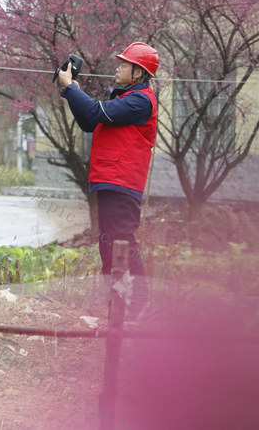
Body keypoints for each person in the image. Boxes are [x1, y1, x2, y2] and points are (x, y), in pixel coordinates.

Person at [57, 42, 158, 317]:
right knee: (110, 245)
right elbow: (90, 122)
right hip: (111, 181)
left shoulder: (140, 101)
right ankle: (119, 309)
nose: (118, 67)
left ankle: (135, 307)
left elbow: (92, 112)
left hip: (122, 183)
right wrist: (70, 91)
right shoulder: (124, 100)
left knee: (121, 242)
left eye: (124, 65)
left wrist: (71, 88)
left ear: (138, 73)